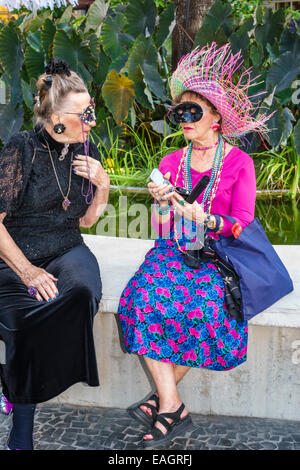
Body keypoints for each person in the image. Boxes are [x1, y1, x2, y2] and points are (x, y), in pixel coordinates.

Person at [117, 42, 272, 448]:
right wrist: (162, 204)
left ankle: (164, 405)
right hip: (175, 250)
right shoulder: (170, 162)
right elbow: (161, 227)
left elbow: (243, 223)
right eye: (178, 114)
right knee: (139, 299)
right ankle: (172, 405)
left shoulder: (240, 163)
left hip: (220, 254)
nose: (184, 120)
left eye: (193, 112)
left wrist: (205, 219)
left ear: (216, 118)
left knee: (205, 306)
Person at [0, 58, 110, 450]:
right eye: (84, 115)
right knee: (28, 318)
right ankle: (22, 433)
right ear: (55, 118)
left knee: (81, 294)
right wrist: (28, 271)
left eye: (91, 112)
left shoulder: (86, 150)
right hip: (14, 257)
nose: (91, 122)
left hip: (66, 248)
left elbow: (87, 222)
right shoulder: (21, 149)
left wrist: (103, 185)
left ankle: (11, 380)